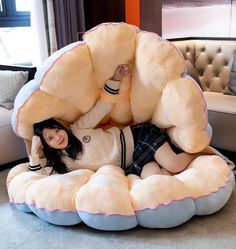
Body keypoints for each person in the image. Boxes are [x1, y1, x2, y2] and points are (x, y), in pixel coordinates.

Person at [29, 64, 200, 178]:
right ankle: (166, 163)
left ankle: (203, 154)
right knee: (154, 180)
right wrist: (35, 153)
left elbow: (102, 107)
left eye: (56, 130)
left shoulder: (78, 129)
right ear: (48, 146)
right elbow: (38, 177)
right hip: (131, 163)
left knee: (174, 165)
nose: (57, 137)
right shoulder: (61, 163)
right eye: (50, 138)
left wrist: (116, 79)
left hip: (137, 138)